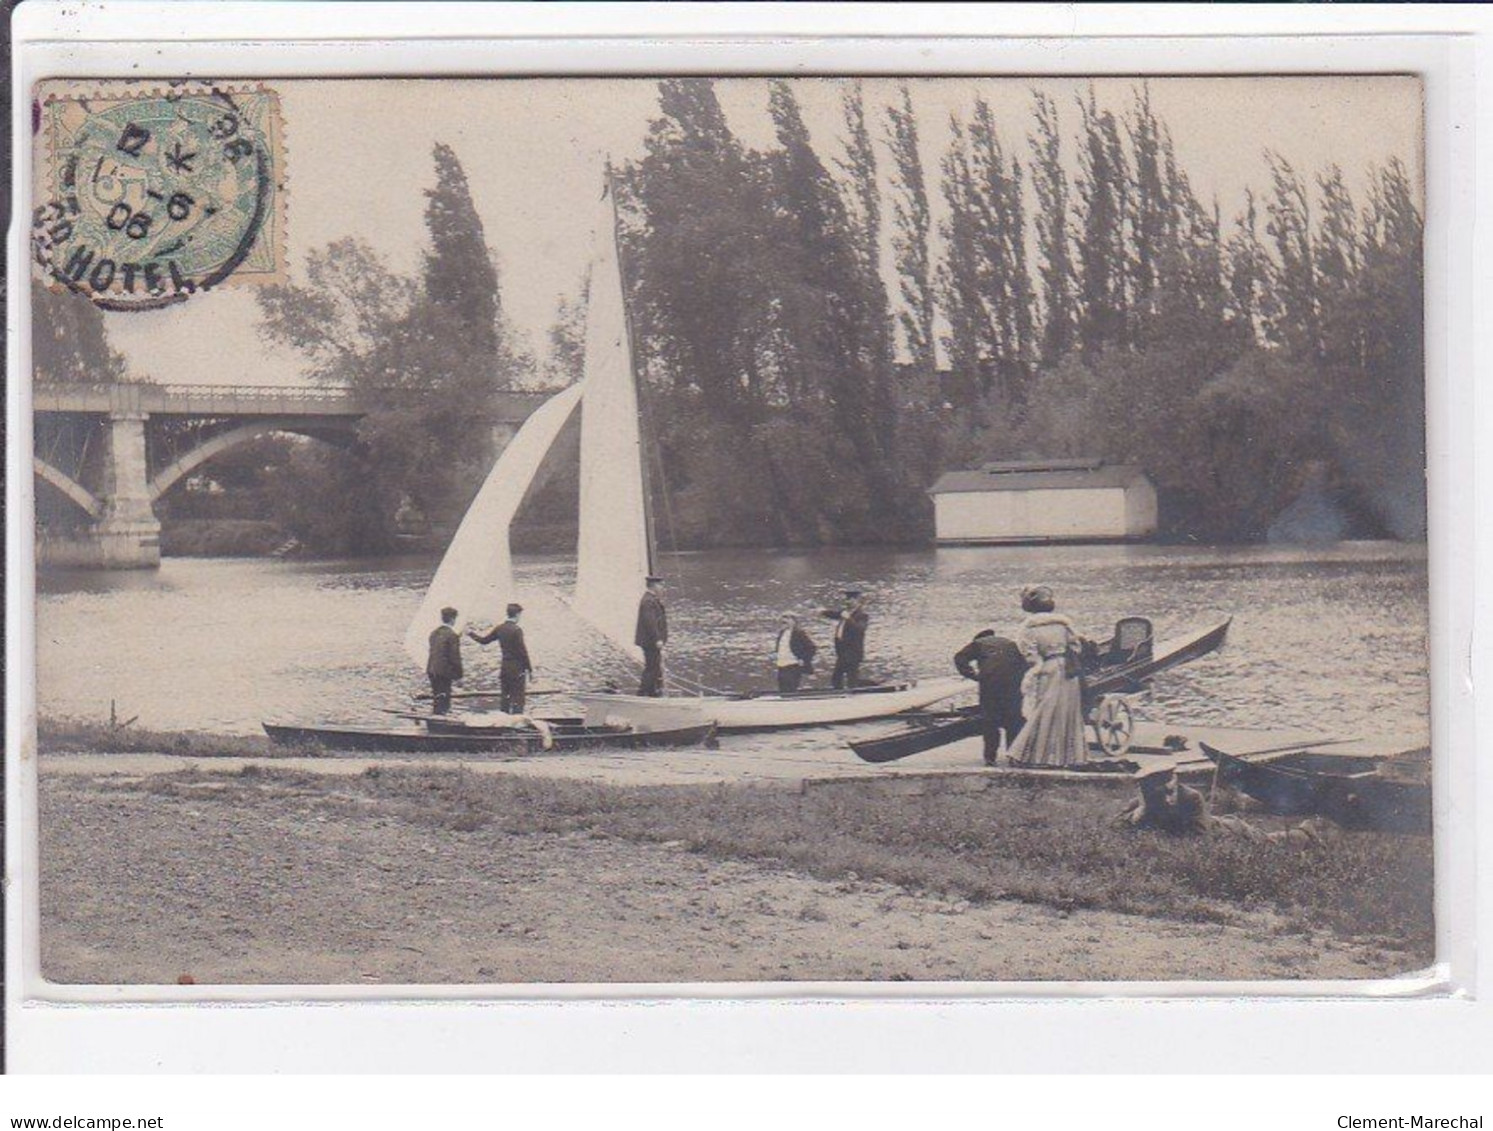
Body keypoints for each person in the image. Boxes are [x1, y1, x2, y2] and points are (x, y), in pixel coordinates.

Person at [1004, 585, 1088, 768]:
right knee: (1068, 712)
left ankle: (1028, 754)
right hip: (1068, 669)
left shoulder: (1029, 628)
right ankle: (1067, 757)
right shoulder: (1064, 624)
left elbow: (1029, 654)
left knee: (1044, 710)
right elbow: (1076, 647)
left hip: (1047, 669)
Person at [953, 628, 1026, 766]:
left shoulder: (977, 643)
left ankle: (990, 757)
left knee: (990, 721)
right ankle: (1014, 756)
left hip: (990, 683)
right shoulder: (1012, 643)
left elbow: (959, 658)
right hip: (1014, 683)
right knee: (1014, 720)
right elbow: (1025, 661)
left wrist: (972, 675)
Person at [469, 602, 533, 715]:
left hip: (505, 667)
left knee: (505, 697)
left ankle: (503, 720)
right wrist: (529, 669)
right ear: (517, 614)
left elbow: (484, 641)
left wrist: (471, 633)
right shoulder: (516, 630)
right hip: (517, 668)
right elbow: (522, 652)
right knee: (518, 698)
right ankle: (516, 722)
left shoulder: (500, 628)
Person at [821, 589, 870, 690]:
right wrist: (822, 612)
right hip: (842, 652)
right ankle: (840, 695)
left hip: (853, 653)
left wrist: (848, 619)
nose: (848, 602)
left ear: (857, 601)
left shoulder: (862, 615)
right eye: (847, 600)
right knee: (836, 677)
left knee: (851, 677)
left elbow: (859, 630)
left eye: (851, 600)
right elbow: (834, 614)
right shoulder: (845, 612)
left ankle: (854, 697)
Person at [425, 606, 463, 715]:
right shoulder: (452, 635)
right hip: (444, 672)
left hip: (431, 669)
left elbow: (438, 651)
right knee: (445, 698)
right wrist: (459, 676)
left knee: (437, 696)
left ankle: (436, 719)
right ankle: (442, 722)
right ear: (452, 619)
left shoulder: (434, 633)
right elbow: (455, 657)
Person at [635, 575, 668, 697]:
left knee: (655, 666)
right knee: (652, 667)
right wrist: (657, 639)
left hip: (650, 641)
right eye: (661, 585)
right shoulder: (648, 601)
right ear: (654, 586)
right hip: (650, 641)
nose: (663, 588)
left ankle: (653, 690)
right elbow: (650, 622)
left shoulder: (652, 599)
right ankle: (644, 692)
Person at [772, 613, 818, 693]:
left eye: (787, 619)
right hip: (781, 664)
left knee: (791, 688)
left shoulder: (798, 633)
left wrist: (803, 659)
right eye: (783, 620)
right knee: (782, 687)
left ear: (793, 621)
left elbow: (811, 648)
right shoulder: (782, 633)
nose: (784, 621)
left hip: (793, 664)